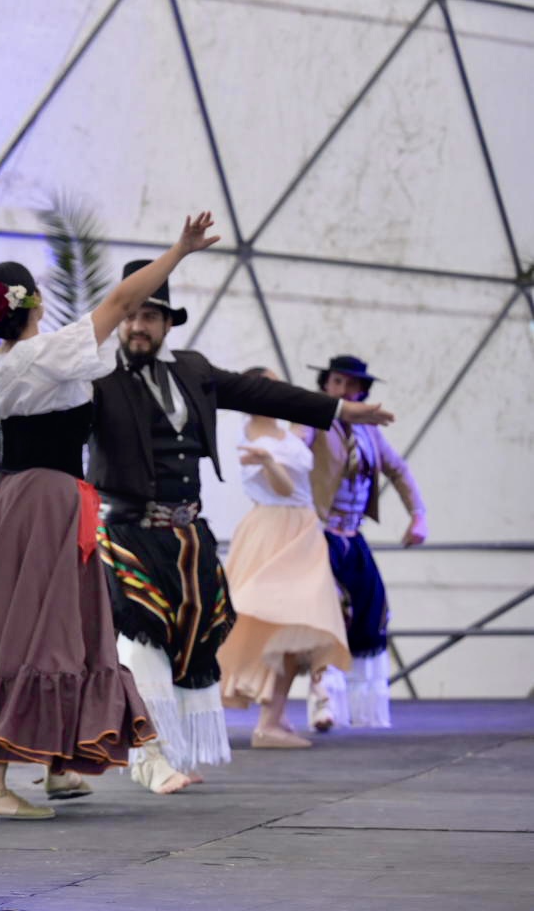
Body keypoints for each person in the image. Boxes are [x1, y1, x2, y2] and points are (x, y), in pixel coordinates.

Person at [0, 221, 220, 818]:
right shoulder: (49, 353)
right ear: (33, 303)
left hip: (5, 500)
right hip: (44, 504)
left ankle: (58, 764)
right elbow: (123, 300)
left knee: (59, 625)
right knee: (29, 628)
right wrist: (180, 250)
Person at [91, 263, 395, 793]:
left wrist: (341, 410)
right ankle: (149, 756)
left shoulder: (192, 370)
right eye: (130, 315)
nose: (137, 326)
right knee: (141, 641)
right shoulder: (97, 379)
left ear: (167, 323)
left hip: (187, 537)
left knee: (190, 643)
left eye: (149, 316)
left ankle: (176, 751)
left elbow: (264, 395)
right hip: (128, 534)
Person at [215, 370, 352, 747]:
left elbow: (309, 458)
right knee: (280, 620)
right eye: (270, 386)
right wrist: (268, 461)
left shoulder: (285, 430)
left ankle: (273, 717)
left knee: (297, 626)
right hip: (275, 532)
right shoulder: (250, 439)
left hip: (301, 530)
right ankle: (268, 721)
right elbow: (284, 487)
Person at [306, 355, 427, 731]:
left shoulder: (368, 431)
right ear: (326, 385)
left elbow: (398, 469)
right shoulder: (314, 421)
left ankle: (361, 709)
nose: (344, 390)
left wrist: (418, 514)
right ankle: (323, 700)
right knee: (327, 615)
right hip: (319, 534)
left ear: (362, 391)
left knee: (370, 613)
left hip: (351, 536)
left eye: (352, 385)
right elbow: (294, 449)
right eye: (337, 382)